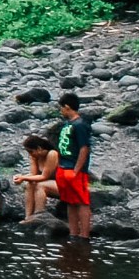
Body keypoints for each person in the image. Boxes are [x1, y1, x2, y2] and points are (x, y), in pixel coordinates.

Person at [54, 94, 95, 240]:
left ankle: (84, 235)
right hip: (63, 167)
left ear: (67, 107)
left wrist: (76, 170)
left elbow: (84, 148)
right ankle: (73, 233)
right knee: (69, 201)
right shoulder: (67, 124)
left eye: (61, 108)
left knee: (82, 201)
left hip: (75, 169)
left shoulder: (80, 125)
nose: (61, 111)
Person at [12, 132, 60, 223]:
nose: (30, 154)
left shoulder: (52, 154)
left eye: (31, 151)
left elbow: (44, 176)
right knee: (29, 184)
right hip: (51, 184)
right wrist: (21, 177)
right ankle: (28, 217)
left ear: (39, 148)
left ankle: (39, 215)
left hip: (63, 185)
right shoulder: (34, 157)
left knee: (40, 185)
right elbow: (33, 175)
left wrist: (23, 177)